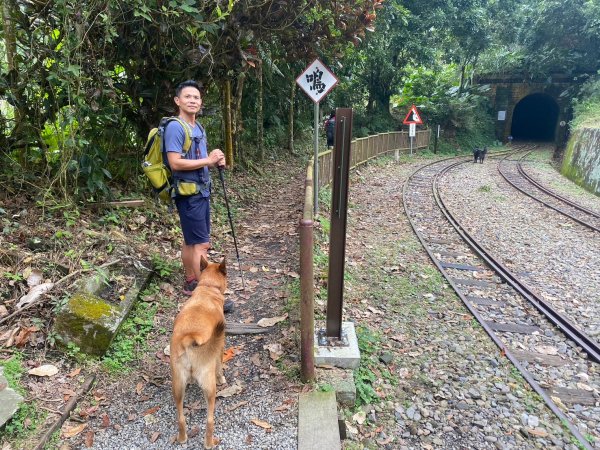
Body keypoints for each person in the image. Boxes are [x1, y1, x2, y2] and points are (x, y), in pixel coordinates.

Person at [164, 80, 233, 312]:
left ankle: (192, 281)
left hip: (199, 191)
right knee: (202, 245)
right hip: (189, 193)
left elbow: (200, 158)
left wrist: (215, 159)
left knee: (191, 242)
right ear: (178, 101)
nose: (192, 100)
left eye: (196, 97)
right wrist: (209, 161)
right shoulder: (176, 127)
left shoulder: (198, 128)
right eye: (187, 97)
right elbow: (175, 163)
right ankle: (205, 295)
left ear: (200, 102)